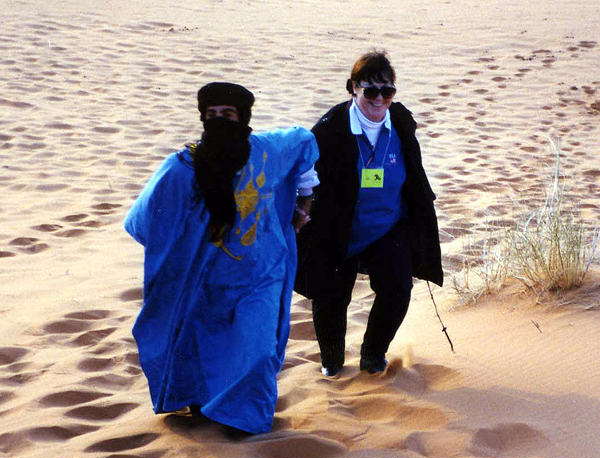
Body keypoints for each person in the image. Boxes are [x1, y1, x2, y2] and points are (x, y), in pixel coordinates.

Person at [124, 82, 319, 434]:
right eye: (211, 115)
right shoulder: (182, 168)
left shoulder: (266, 151)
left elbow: (303, 141)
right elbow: (141, 222)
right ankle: (207, 408)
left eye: (227, 115)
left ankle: (247, 423)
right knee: (204, 348)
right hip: (206, 281)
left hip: (260, 275)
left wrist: (304, 201)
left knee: (258, 350)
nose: (218, 122)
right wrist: (178, 252)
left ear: (243, 119)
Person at [295, 51, 443, 377]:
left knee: (398, 289)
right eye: (370, 90)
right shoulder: (329, 130)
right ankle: (332, 364)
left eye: (387, 91)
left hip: (388, 225)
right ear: (353, 87)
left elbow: (414, 172)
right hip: (340, 229)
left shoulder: (400, 123)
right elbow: (303, 177)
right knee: (330, 298)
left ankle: (373, 356)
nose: (379, 98)